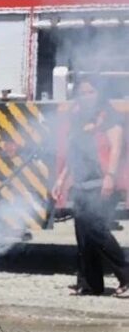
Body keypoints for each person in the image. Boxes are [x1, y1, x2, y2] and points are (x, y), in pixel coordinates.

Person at [53, 75, 129, 298]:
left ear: (99, 94)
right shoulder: (78, 121)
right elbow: (72, 155)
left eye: (90, 92)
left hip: (101, 183)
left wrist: (110, 177)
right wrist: (61, 179)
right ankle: (90, 283)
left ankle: (126, 277)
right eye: (82, 93)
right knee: (83, 235)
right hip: (81, 184)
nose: (86, 97)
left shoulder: (109, 118)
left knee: (97, 231)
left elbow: (115, 148)